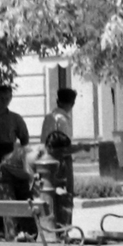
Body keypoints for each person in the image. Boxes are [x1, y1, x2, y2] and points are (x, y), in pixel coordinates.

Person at [40, 87, 78, 226]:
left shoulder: (49, 117)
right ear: (71, 104)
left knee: (50, 194)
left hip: (45, 159)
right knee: (66, 194)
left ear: (57, 101)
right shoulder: (63, 119)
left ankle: (51, 225)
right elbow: (65, 146)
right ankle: (64, 227)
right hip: (61, 160)